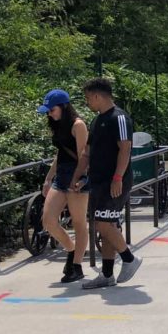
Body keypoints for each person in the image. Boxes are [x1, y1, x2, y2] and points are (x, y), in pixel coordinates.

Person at [70, 78, 142, 289]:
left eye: (87, 98)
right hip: (98, 180)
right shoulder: (96, 120)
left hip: (114, 181)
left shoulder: (119, 118)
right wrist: (77, 176)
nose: (87, 103)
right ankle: (107, 274)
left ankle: (129, 259)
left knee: (103, 223)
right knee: (106, 225)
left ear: (97, 96)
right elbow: (87, 152)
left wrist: (118, 177)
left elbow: (125, 148)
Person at [37, 89, 90, 283]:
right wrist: (48, 178)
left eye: (52, 110)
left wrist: (80, 178)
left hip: (77, 175)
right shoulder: (58, 125)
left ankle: (76, 265)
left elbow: (84, 155)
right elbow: (61, 154)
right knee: (48, 219)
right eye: (48, 111)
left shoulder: (78, 125)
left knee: (78, 222)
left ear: (64, 107)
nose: (50, 114)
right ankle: (71, 248)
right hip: (62, 175)